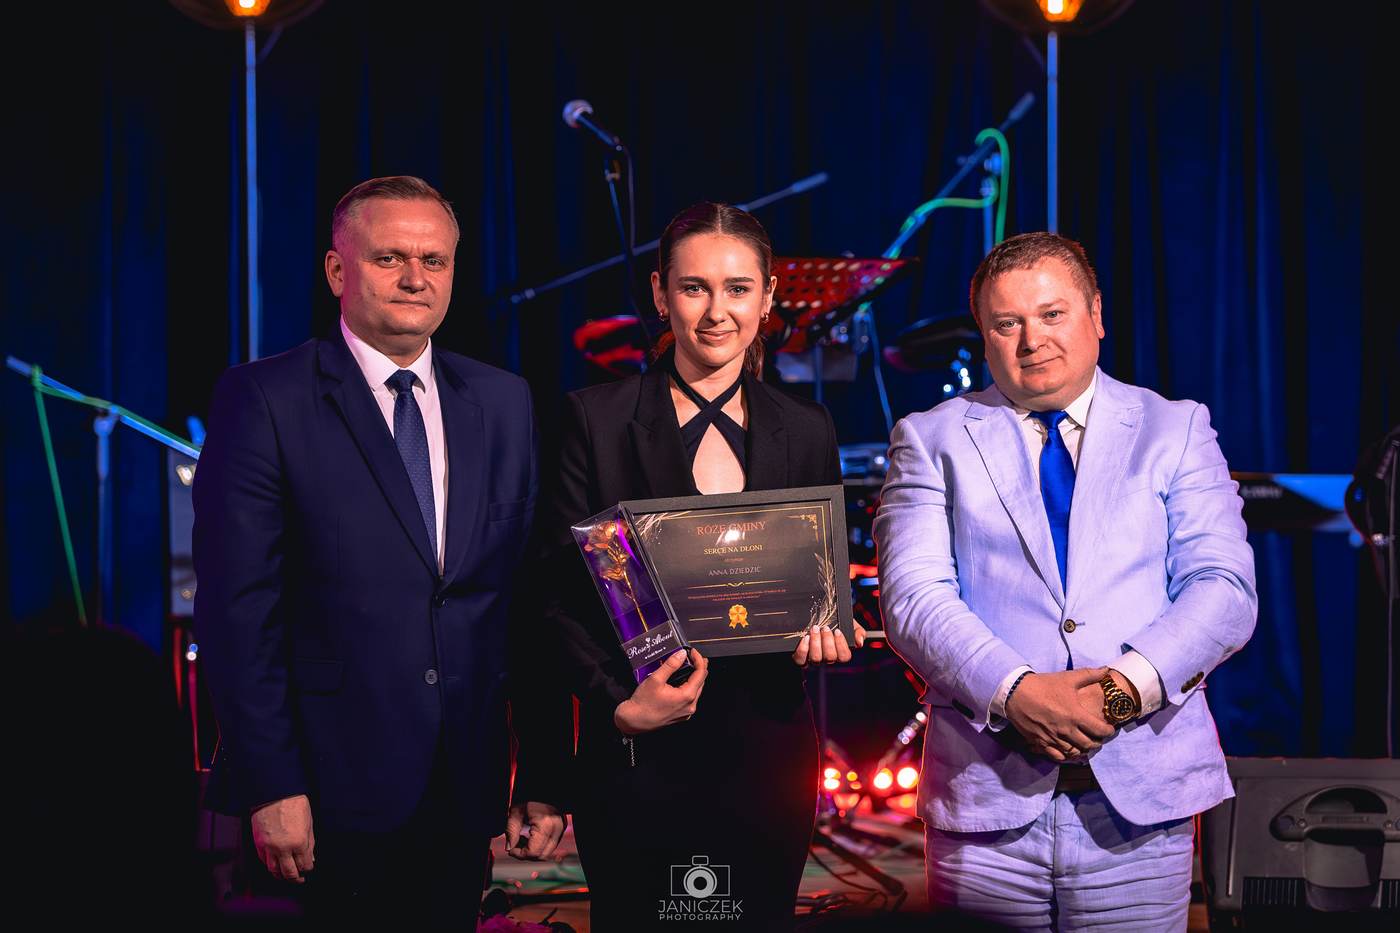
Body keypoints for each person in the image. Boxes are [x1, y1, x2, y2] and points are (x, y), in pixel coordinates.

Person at [193, 175, 569, 922]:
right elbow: (239, 614)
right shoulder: (264, 398)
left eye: (434, 260)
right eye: (390, 257)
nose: (415, 278)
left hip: (461, 788)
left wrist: (545, 774)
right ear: (339, 271)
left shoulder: (503, 401)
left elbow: (527, 605)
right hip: (321, 793)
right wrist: (271, 782)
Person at [875, 232, 1257, 930]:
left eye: (1052, 314)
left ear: (1096, 314)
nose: (1033, 340)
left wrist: (1121, 692)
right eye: (1007, 323)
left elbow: (1223, 588)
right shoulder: (931, 438)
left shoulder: (1175, 428)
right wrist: (1017, 692)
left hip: (1142, 803)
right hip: (986, 803)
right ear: (984, 335)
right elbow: (912, 599)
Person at [539, 202, 861, 929]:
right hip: (639, 751)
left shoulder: (807, 427)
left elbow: (820, 586)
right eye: (694, 287)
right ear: (660, 294)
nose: (718, 312)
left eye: (738, 288)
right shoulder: (594, 419)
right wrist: (617, 705)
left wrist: (824, 631)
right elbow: (553, 597)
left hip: (768, 751)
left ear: (768, 297)